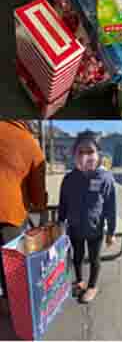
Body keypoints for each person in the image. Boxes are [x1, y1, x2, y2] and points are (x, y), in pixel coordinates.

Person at [57, 131, 116, 304]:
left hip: (94, 229)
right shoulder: (69, 179)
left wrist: (111, 232)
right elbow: (63, 203)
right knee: (77, 256)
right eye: (80, 152)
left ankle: (92, 286)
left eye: (89, 151)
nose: (85, 156)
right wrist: (60, 223)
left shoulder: (105, 178)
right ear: (75, 154)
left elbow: (111, 207)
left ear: (98, 154)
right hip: (74, 228)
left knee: (94, 259)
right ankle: (80, 280)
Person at [0, 121, 47, 304]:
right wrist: (42, 211)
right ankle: (13, 306)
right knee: (12, 268)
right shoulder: (29, 143)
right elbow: (37, 192)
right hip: (9, 215)